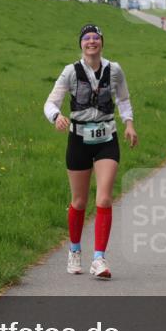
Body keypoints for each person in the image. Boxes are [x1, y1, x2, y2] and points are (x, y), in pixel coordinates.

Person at [44, 24, 138, 279]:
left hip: (107, 138)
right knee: (79, 201)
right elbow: (50, 102)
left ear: (102, 43)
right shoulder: (70, 72)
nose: (91, 41)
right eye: (87, 38)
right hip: (78, 140)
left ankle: (99, 259)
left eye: (96, 38)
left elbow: (123, 99)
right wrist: (56, 117)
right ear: (81, 44)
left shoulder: (114, 70)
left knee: (104, 198)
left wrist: (129, 124)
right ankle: (75, 251)